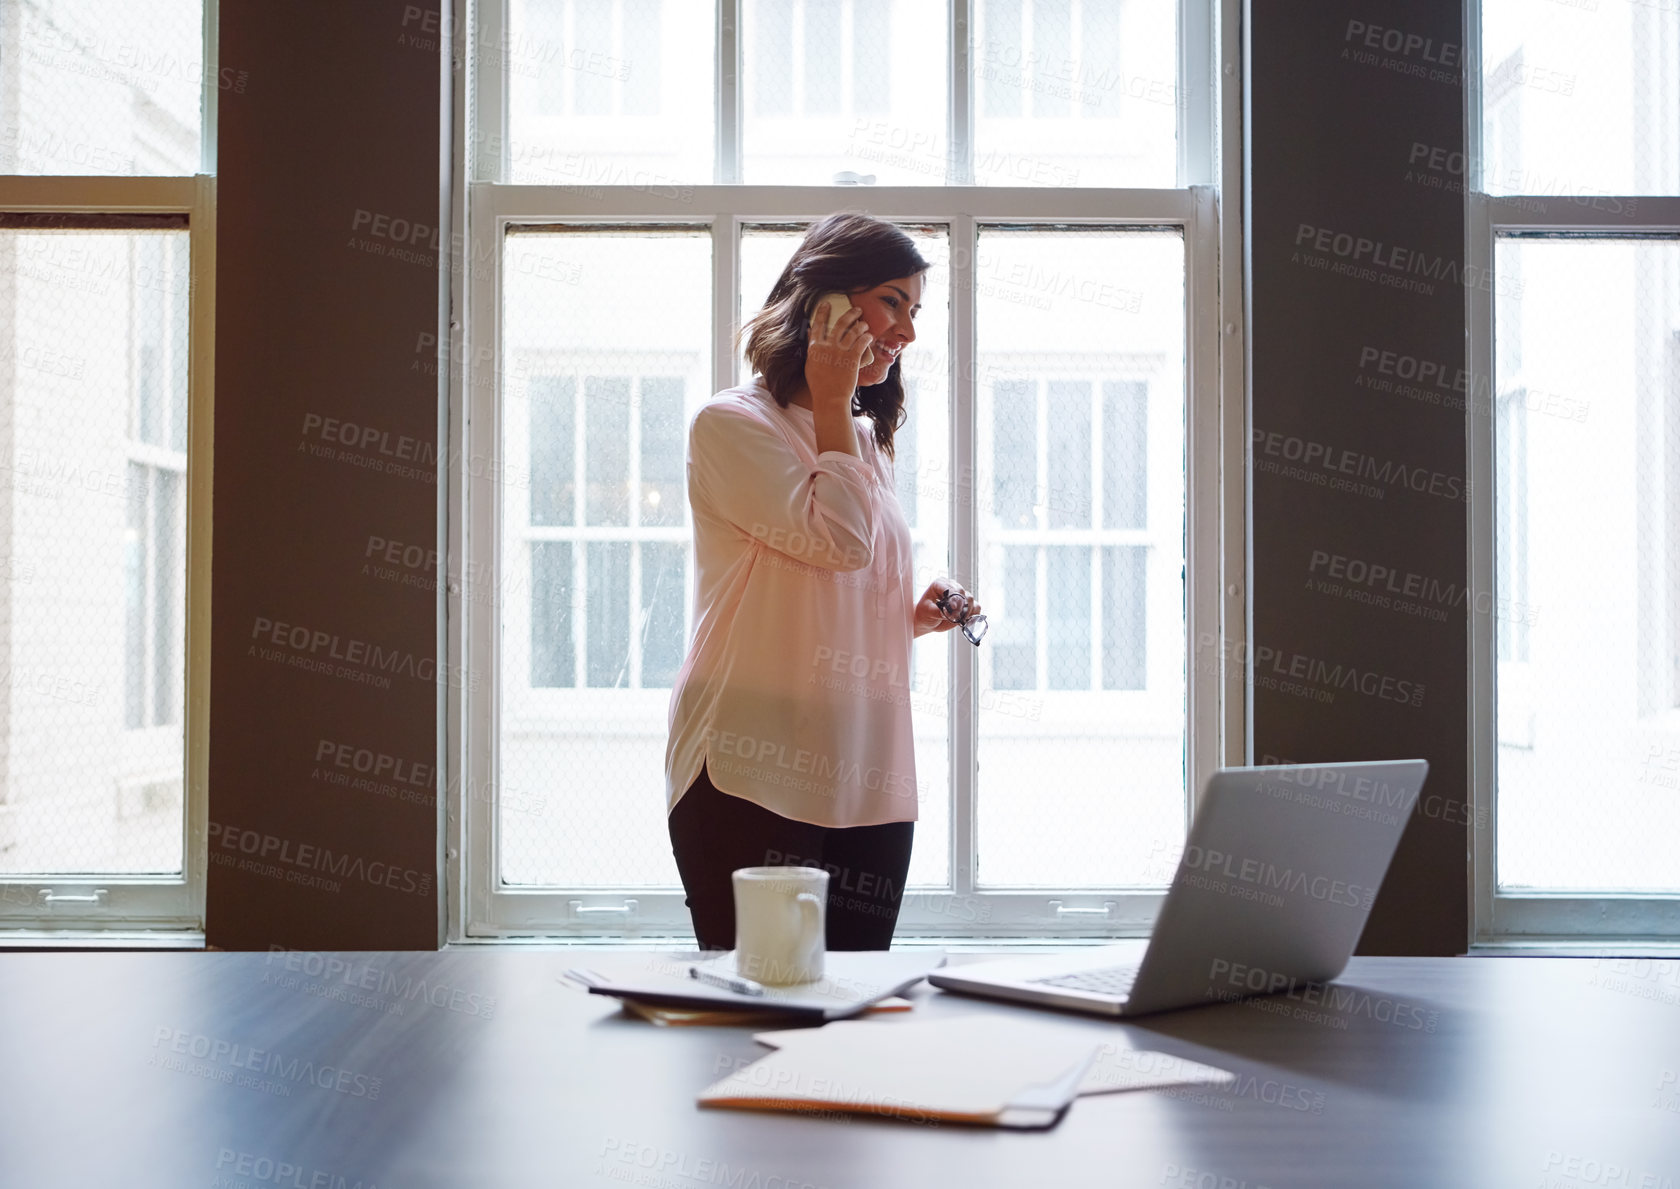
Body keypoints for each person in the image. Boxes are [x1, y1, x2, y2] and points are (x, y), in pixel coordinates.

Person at [664, 212, 981, 951]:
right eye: (892, 302)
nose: (905, 332)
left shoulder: (861, 441)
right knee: (758, 1021)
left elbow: (825, 574)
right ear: (827, 303)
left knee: (856, 1023)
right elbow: (837, 542)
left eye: (914, 311)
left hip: (867, 774)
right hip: (751, 765)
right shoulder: (730, 424)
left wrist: (906, 614)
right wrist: (835, 399)